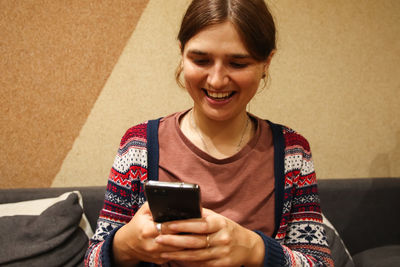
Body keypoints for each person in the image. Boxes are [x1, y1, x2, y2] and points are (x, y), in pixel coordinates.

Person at [85, 0, 333, 266]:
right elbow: (91, 260)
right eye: (200, 60)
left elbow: (319, 261)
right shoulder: (139, 146)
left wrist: (255, 249)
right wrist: (124, 245)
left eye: (238, 64)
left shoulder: (292, 152)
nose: (216, 80)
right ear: (182, 54)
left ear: (266, 63)